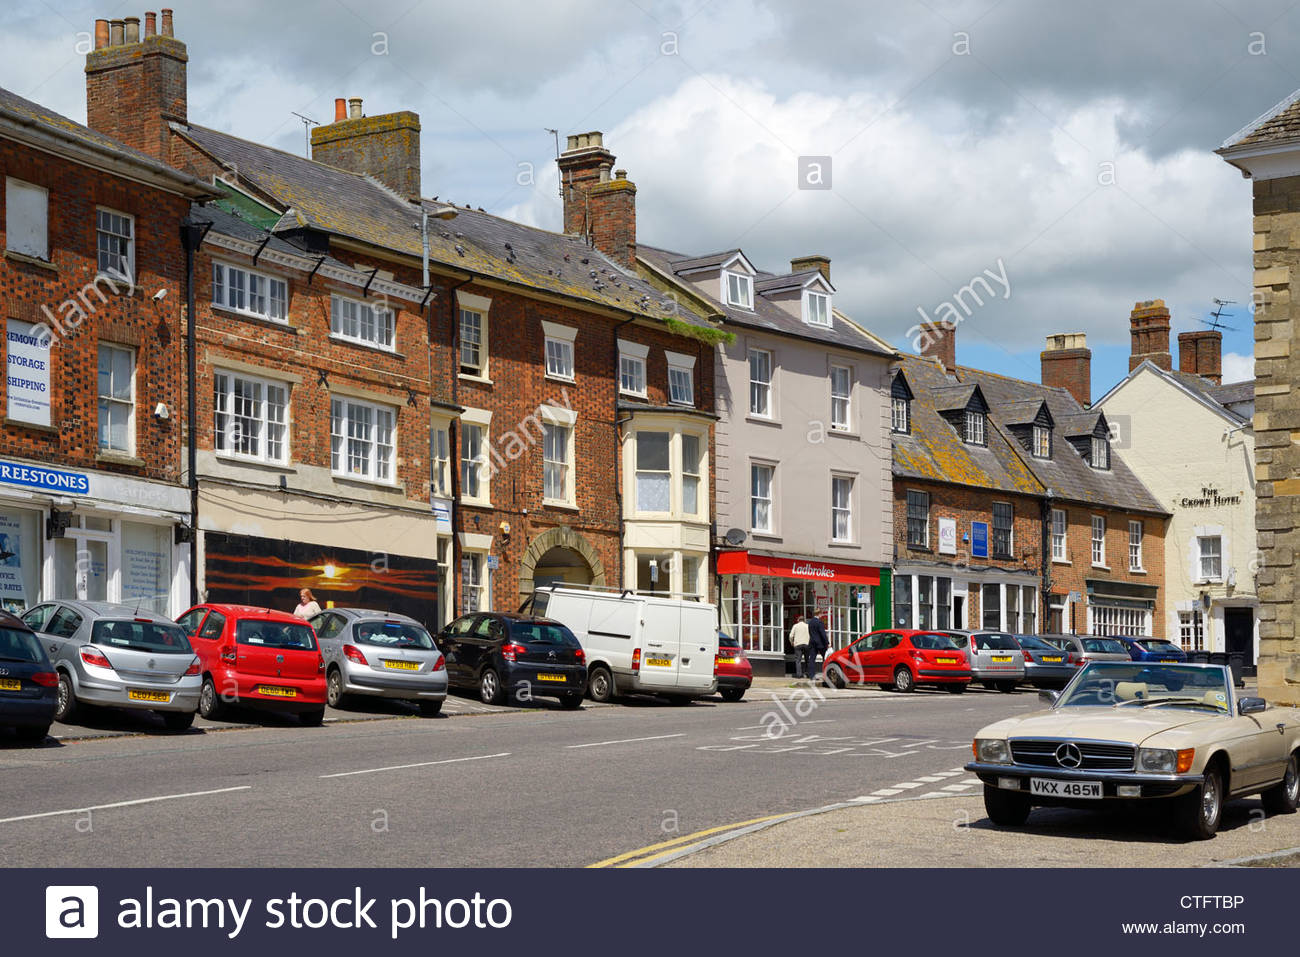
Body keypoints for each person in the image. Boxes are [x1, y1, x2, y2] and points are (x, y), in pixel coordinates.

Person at [806, 612, 830, 681]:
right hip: (820, 643)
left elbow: (810, 632)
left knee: (812, 659)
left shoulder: (810, 622)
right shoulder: (819, 622)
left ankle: (812, 676)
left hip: (812, 642)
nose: (822, 615)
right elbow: (822, 633)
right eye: (821, 614)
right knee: (826, 659)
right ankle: (827, 675)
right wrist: (827, 643)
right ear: (819, 614)